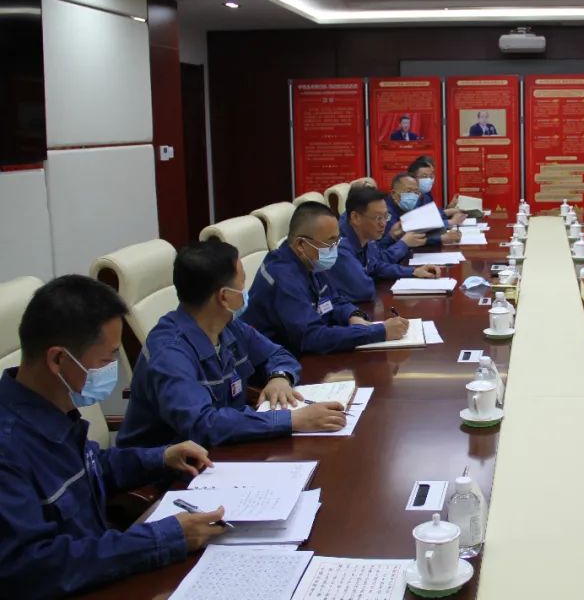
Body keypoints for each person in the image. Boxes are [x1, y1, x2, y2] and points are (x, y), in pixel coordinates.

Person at [0, 275, 227, 599]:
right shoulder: (8, 449)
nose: (112, 370)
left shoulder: (55, 408)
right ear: (58, 359)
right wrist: (165, 537)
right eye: (106, 360)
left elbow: (93, 467)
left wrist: (161, 457)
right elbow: (33, 568)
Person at [118, 239, 347, 449]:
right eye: (242, 284)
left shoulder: (228, 326)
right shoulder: (169, 352)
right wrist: (292, 420)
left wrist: (279, 377)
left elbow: (278, 354)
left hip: (225, 449)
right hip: (171, 472)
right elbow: (202, 424)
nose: (245, 293)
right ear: (224, 297)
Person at [244, 201, 410, 355]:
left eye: (337, 241)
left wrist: (353, 315)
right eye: (330, 243)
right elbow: (311, 337)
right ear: (301, 245)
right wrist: (379, 331)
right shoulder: (283, 276)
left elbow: (333, 299)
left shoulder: (310, 260)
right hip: (276, 363)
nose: (334, 249)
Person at [330, 185, 442, 303]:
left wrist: (413, 271)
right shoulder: (340, 248)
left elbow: (376, 265)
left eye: (385, 217)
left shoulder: (366, 237)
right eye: (378, 218)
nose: (383, 224)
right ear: (355, 217)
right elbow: (365, 290)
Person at [381, 173, 461, 248]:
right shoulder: (385, 211)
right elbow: (405, 237)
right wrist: (441, 237)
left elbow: (423, 221)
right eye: (408, 191)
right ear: (393, 194)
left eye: (416, 192)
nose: (413, 195)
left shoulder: (411, 204)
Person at [409, 157, 467, 228]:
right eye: (424, 176)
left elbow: (433, 215)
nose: (429, 179)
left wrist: (449, 209)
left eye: (431, 175)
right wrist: (450, 219)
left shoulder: (426, 194)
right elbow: (418, 223)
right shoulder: (408, 198)